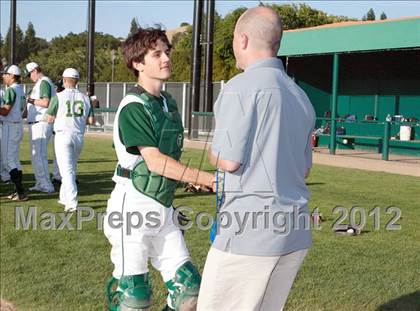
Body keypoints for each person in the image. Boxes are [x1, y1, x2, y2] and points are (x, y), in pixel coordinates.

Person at [197, 7, 316, 311]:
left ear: (243, 39)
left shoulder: (239, 87)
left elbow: (228, 161)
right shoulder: (300, 95)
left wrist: (213, 151)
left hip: (249, 232)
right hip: (294, 231)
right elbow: (303, 169)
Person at [103, 27, 214, 311]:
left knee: (189, 292)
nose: (166, 58)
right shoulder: (133, 106)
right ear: (138, 64)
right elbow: (154, 161)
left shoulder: (168, 103)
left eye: (167, 52)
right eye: (156, 54)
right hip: (132, 206)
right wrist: (206, 179)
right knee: (133, 297)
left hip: (161, 206)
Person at [46, 68, 94, 212]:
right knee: (70, 169)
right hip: (78, 135)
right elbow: (90, 120)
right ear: (77, 81)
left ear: (64, 80)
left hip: (63, 134)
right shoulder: (86, 98)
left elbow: (49, 118)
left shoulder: (58, 96)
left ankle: (72, 202)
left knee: (66, 171)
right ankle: (64, 197)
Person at [24, 62, 56, 193]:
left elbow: (45, 102)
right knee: (36, 155)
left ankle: (47, 185)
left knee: (40, 155)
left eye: (30, 73)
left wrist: (30, 100)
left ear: (35, 70)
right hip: (37, 123)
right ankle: (40, 182)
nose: (30, 77)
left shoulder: (43, 81)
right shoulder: (39, 83)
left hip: (42, 122)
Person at [0, 65, 28, 201]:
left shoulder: (11, 90)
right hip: (17, 125)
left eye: (5, 74)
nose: (3, 76)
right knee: (15, 160)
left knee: (8, 160)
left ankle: (21, 192)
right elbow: (24, 112)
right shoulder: (21, 90)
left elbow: (5, 110)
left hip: (10, 126)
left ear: (12, 76)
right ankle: (17, 191)